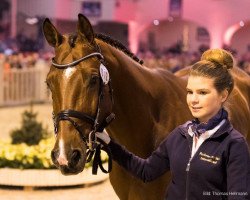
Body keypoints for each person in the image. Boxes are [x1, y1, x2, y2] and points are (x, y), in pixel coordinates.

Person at [96, 49, 250, 200]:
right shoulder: (180, 134)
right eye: (190, 92)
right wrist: (110, 144)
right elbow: (146, 171)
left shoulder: (234, 144)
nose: (193, 100)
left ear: (223, 95)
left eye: (202, 93)